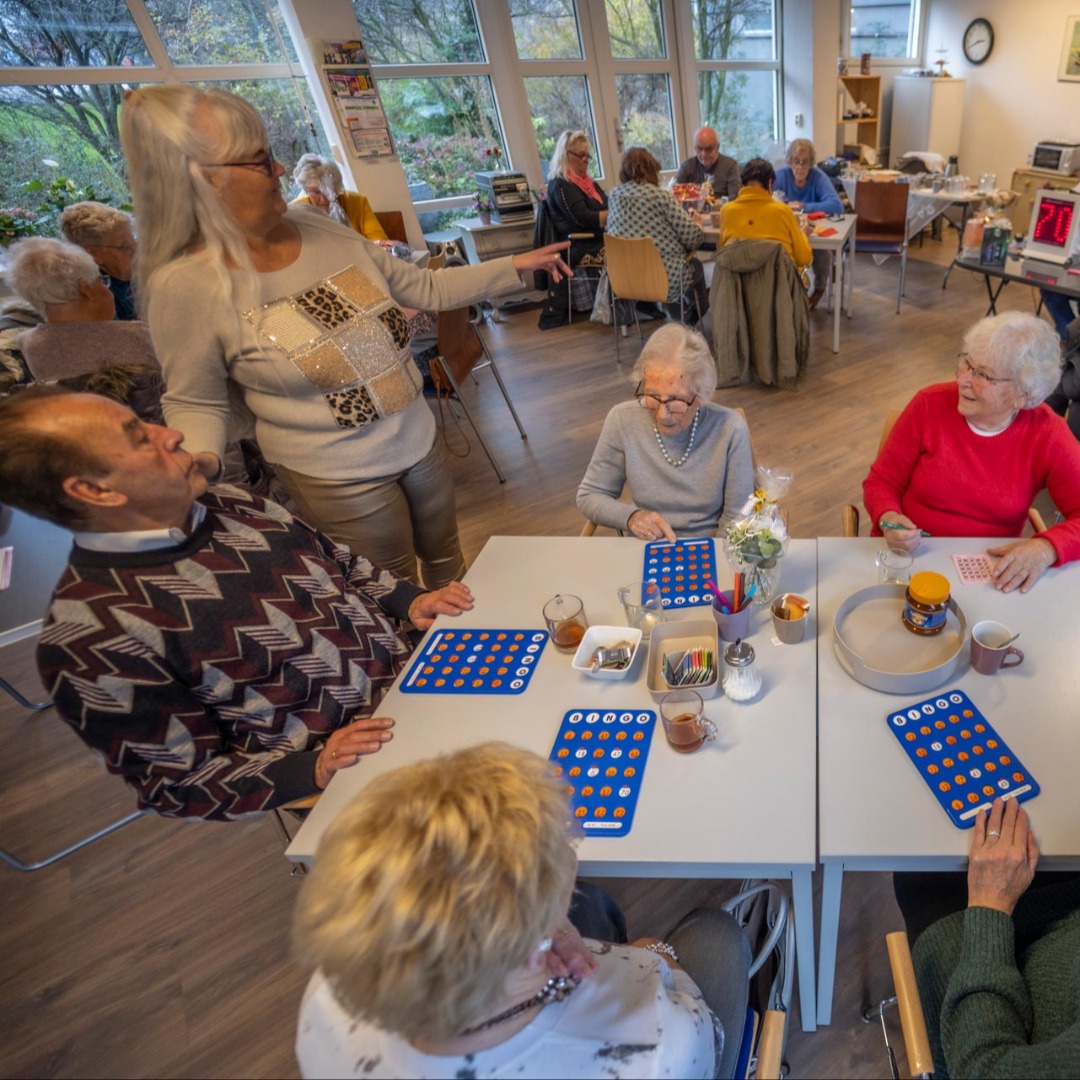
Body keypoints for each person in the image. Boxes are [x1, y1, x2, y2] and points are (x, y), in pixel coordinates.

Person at [120, 86, 569, 590]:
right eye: (259, 159)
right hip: (338, 475)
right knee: (391, 592)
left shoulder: (317, 224)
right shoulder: (185, 286)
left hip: (418, 440)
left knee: (449, 570)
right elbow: (195, 399)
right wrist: (198, 459)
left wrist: (514, 265)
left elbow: (421, 286)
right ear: (201, 182)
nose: (278, 169)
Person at [0, 387, 475, 821]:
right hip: (365, 780)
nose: (173, 433)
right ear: (94, 490)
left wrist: (408, 599)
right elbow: (178, 784)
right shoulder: (91, 638)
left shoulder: (234, 502)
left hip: (429, 685)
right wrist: (314, 768)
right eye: (140, 437)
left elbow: (341, 563)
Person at [294, 741, 751, 1079]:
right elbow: (696, 1023)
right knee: (717, 934)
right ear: (531, 948)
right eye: (563, 859)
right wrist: (655, 956)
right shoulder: (654, 1048)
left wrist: (553, 928)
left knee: (593, 904)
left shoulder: (326, 997)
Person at [863, 311, 1080, 593]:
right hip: (911, 558)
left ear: (1023, 395)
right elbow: (882, 481)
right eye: (966, 363)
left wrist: (1046, 547)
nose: (963, 379)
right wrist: (888, 517)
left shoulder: (1047, 433)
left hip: (988, 572)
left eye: (982, 375)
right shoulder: (929, 404)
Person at [900, 797, 1080, 1078]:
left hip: (978, 984)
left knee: (916, 861)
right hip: (1061, 924)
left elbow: (980, 1066)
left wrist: (990, 903)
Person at [577, 323, 754, 540]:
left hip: (711, 548)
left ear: (702, 395)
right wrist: (632, 517)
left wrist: (710, 560)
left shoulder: (730, 429)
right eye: (652, 396)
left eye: (676, 400)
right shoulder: (622, 420)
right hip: (645, 548)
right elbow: (590, 494)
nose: (662, 414)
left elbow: (736, 518)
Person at [5, 237, 162, 418]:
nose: (106, 289)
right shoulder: (136, 335)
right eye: (101, 281)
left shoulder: (27, 342)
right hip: (142, 422)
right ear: (86, 289)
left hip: (79, 426)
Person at [606, 146, 708, 324]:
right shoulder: (660, 197)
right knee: (694, 266)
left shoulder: (614, 195)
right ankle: (693, 318)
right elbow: (693, 239)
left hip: (624, 278)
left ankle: (677, 319)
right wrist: (697, 224)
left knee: (663, 263)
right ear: (651, 169)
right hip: (663, 278)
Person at [773, 139, 842, 308]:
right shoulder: (781, 176)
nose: (800, 167)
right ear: (790, 161)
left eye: (805, 162)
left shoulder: (818, 177)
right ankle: (783, 292)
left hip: (812, 230)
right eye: (796, 161)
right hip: (787, 230)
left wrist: (804, 206)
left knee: (822, 252)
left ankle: (819, 288)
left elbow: (836, 206)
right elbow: (767, 201)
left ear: (811, 163)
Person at [719, 157, 813, 275]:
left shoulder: (726, 211)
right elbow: (803, 259)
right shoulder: (783, 212)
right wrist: (803, 234)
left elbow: (724, 254)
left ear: (742, 184)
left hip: (739, 290)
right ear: (769, 184)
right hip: (780, 289)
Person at [58, 201, 137, 320]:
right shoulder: (95, 295)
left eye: (134, 242)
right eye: (126, 248)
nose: (136, 253)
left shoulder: (125, 274)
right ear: (93, 253)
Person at [289, 153, 391, 244]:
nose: (325, 200)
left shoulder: (357, 202)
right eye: (317, 192)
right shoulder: (296, 212)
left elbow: (380, 240)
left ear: (338, 186)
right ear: (306, 190)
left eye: (330, 191)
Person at [674, 126, 741, 200]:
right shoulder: (687, 167)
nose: (703, 154)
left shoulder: (730, 166)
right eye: (699, 149)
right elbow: (676, 197)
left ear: (717, 147)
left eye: (708, 149)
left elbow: (735, 198)